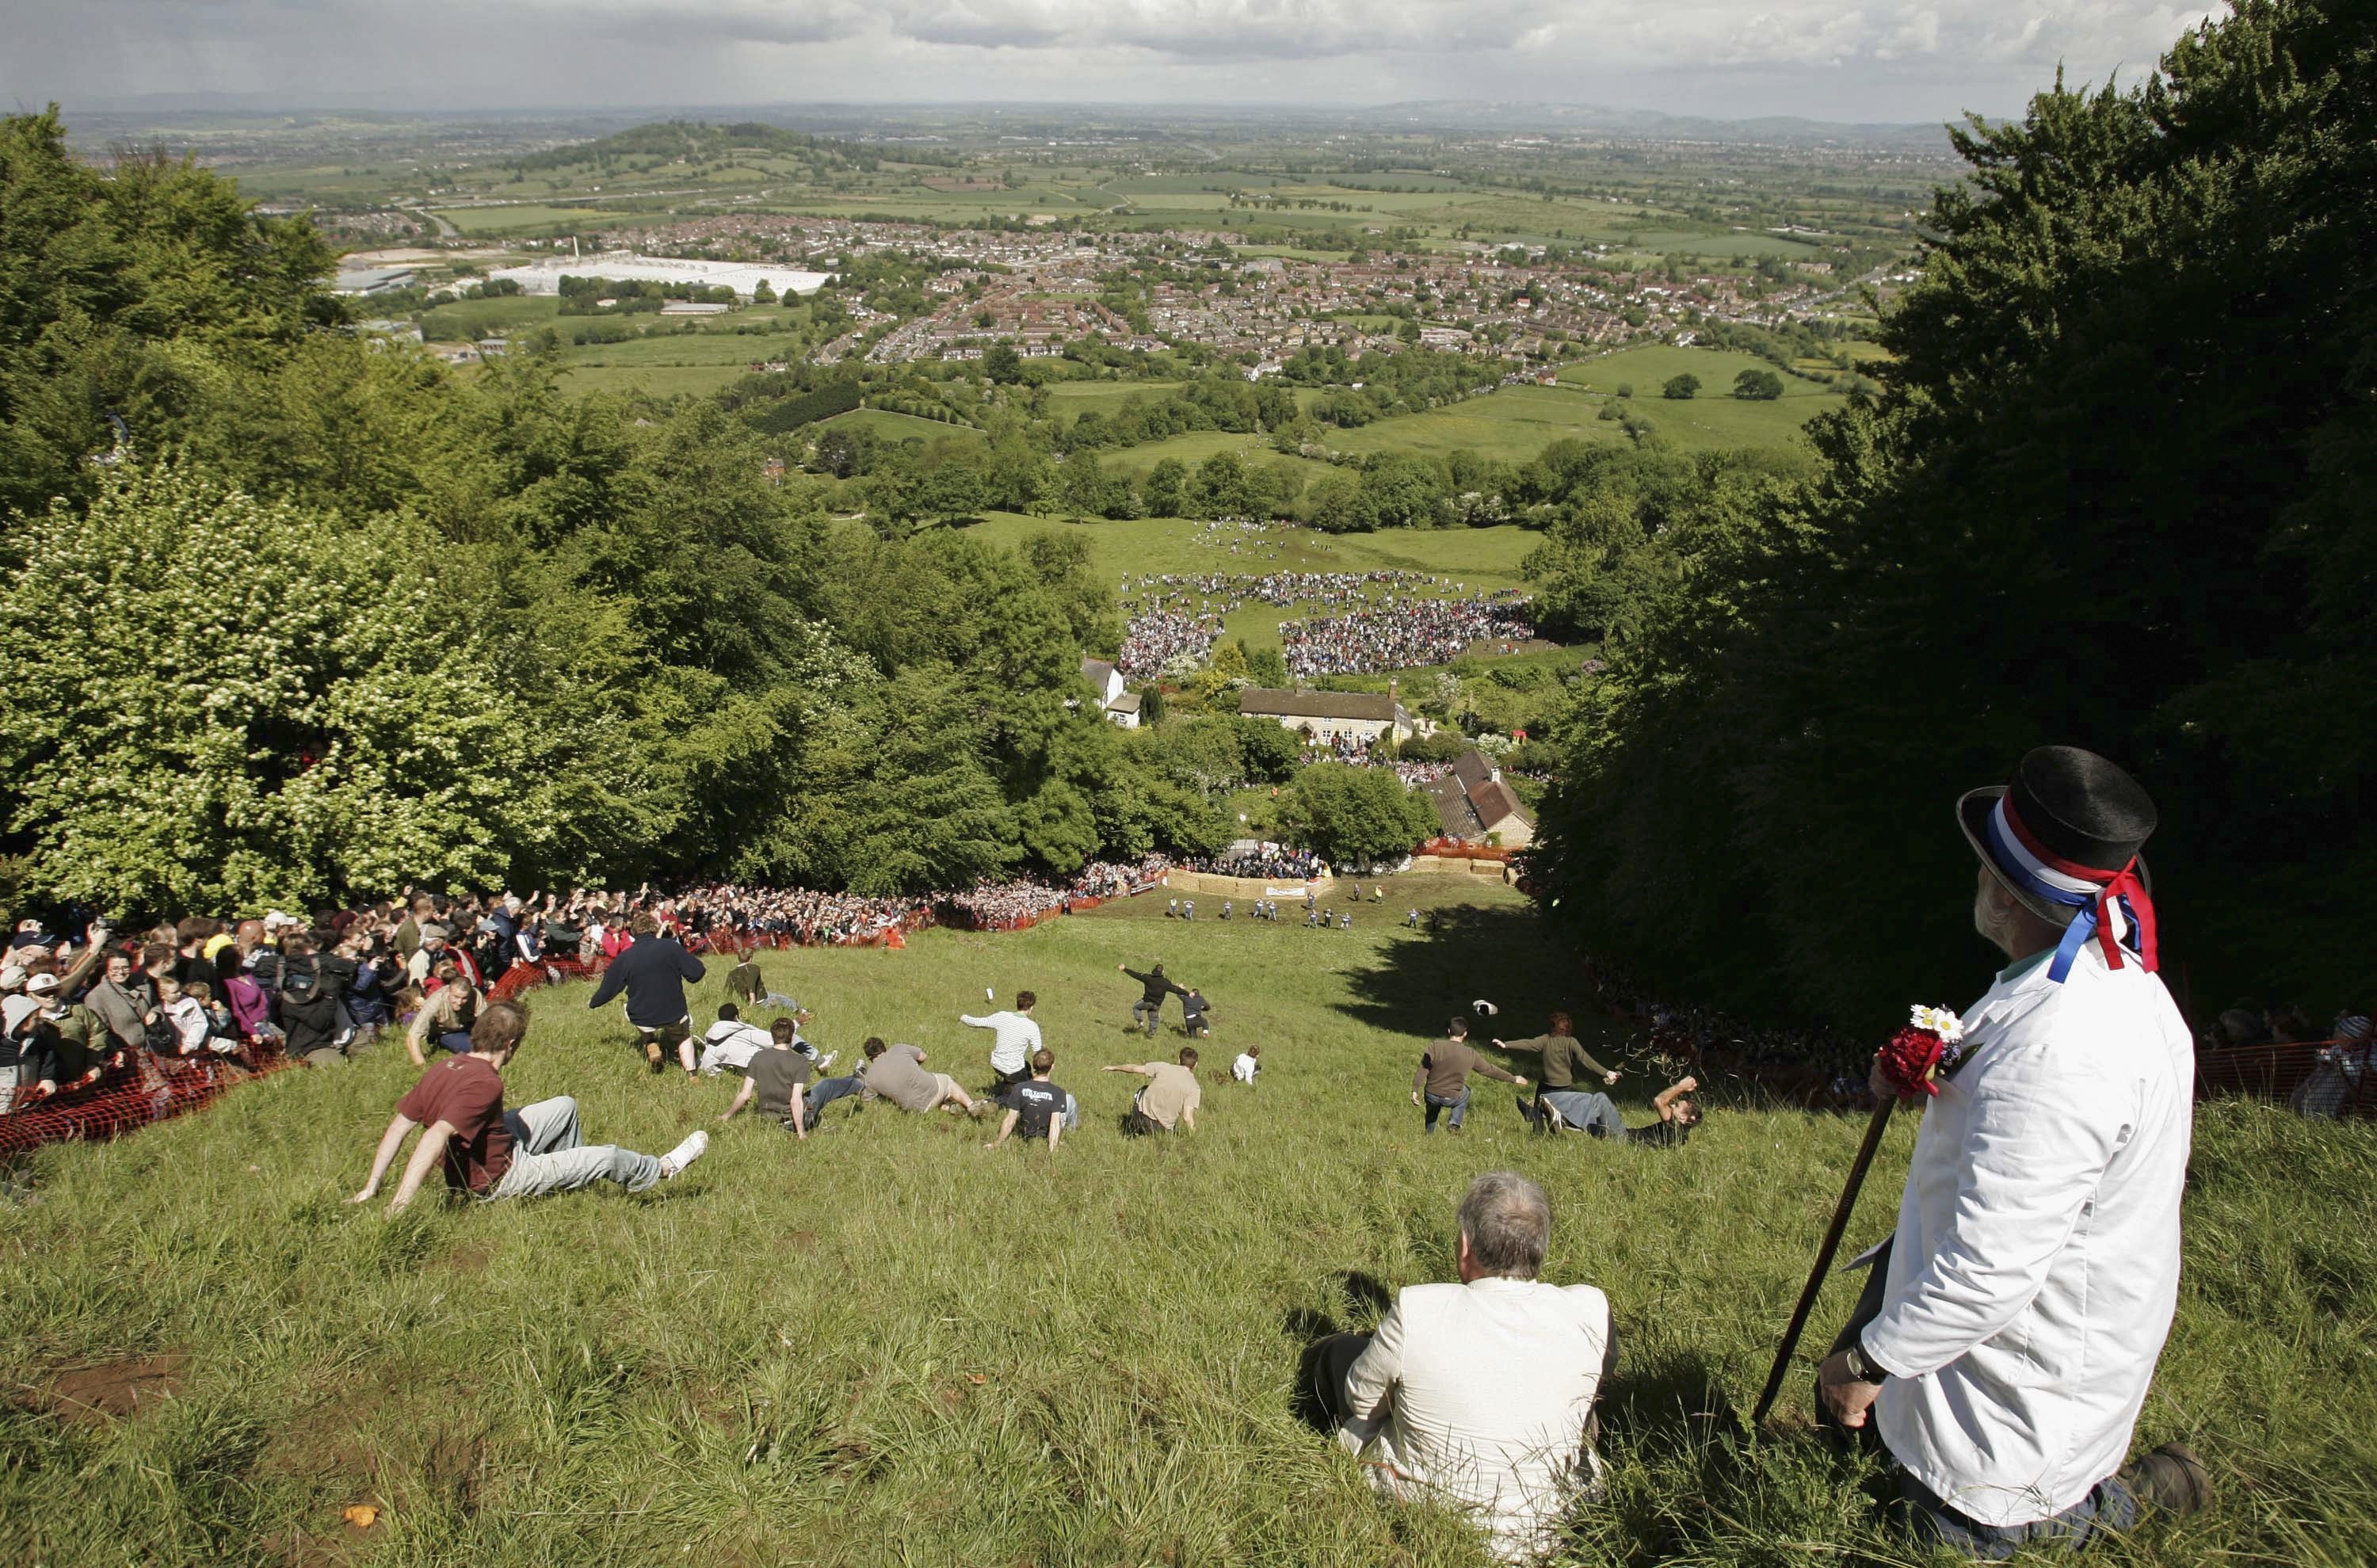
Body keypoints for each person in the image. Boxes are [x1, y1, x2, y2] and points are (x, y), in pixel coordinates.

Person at [1816, 746, 2207, 1555]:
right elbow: (2005, 1067)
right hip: (2056, 1349)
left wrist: (1867, 1357)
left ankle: (2131, 1500)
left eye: (1983, 865)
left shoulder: (2059, 1051)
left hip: (2010, 1403)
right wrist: (1918, 1065)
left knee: (1971, 1521)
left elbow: (1988, 1268)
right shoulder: (2104, 980)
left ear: (2005, 888)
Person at [1306, 1171, 1613, 1562]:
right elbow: (1595, 1390)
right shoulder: (1590, 1308)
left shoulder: (1417, 1307)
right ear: (1540, 1247)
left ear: (1465, 1245)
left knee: (1340, 1352)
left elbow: (1362, 1401)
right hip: (1557, 1520)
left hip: (1427, 1511)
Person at [349, 1000, 707, 1212]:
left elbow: (399, 1125)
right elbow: (434, 1137)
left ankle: (572, 1179)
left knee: (564, 1105)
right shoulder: (486, 1082)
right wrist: (398, 1205)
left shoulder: (447, 1065)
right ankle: (659, 1169)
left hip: (496, 1145)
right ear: (511, 1043)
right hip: (497, 1178)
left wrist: (372, 1184)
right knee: (607, 1156)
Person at [586, 912, 707, 1076]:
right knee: (684, 1036)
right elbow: (697, 972)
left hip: (642, 1016)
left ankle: (650, 1042)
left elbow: (609, 989)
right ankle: (692, 1074)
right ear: (655, 928)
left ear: (633, 932)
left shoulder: (625, 957)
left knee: (633, 1007)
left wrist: (593, 1002)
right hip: (674, 1011)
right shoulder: (671, 947)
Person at [1497, 1013, 1620, 1133]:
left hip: (1546, 1085)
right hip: (1563, 1087)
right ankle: (1539, 1123)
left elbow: (1529, 1043)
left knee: (1540, 1108)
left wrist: (1506, 1044)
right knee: (1559, 1112)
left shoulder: (1545, 1040)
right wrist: (1607, 1072)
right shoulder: (1571, 1042)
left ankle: (1536, 1129)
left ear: (1553, 1027)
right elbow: (1586, 1059)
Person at [1411, 1017, 1528, 1134]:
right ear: (1465, 1034)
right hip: (1452, 1097)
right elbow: (1489, 1070)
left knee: (1432, 1107)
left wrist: (1415, 1090)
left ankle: (1429, 1133)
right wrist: (1513, 1078)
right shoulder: (1470, 1054)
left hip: (1431, 1095)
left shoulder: (1435, 1046)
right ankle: (1454, 1124)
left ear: (1449, 1031)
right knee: (1466, 1091)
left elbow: (1424, 1067)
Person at [718, 1017, 818, 1140]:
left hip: (765, 1116)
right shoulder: (800, 1062)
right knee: (825, 1087)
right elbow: (795, 1100)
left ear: (772, 1037)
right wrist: (801, 1132)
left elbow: (745, 1095)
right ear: (792, 1038)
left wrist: (727, 1115)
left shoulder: (758, 1057)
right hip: (789, 1120)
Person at [1535, 1075, 1700, 1145]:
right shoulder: (1676, 1132)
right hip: (1623, 1136)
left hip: (1623, 1139)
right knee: (1589, 1099)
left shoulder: (1676, 1131)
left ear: (1686, 1119)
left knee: (1600, 1099)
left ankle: (1542, 1103)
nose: (1672, 1106)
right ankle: (1559, 1117)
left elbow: (1659, 1101)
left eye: (1677, 1107)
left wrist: (1681, 1087)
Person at [862, 1036, 982, 1117]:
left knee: (922, 1099)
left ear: (869, 1057)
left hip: (917, 1110)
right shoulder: (898, 1048)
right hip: (934, 1089)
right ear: (884, 1048)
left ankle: (949, 1109)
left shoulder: (870, 1077)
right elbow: (923, 1056)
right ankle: (971, 1105)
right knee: (948, 1081)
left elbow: (867, 1099)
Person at [986, 1048, 1074, 1151]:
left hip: (1027, 1132)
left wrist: (997, 1143)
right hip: (1046, 1133)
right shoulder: (1058, 1092)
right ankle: (1072, 1128)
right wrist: (1052, 1149)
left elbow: (1010, 1119)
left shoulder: (1019, 1088)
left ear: (1033, 1066)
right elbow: (1054, 1123)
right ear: (1052, 1067)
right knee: (1070, 1099)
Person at [1106, 1047, 1201, 1135]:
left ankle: (1134, 1127)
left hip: (1140, 1117)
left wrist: (1114, 1068)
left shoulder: (1162, 1066)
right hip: (1161, 1130)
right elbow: (1187, 1118)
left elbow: (1134, 1068)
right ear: (1195, 1065)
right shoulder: (1194, 1087)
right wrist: (1194, 1136)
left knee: (1143, 1090)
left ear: (1179, 1060)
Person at [960, 990, 1043, 1089]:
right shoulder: (1032, 1026)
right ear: (1031, 1008)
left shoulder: (1002, 1016)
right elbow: (1038, 1054)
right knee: (1025, 1092)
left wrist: (963, 1017)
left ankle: (1009, 1085)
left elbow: (977, 1022)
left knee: (1026, 1066)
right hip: (1013, 1069)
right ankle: (996, 1100)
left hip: (997, 1064)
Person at [405, 960, 479, 1065]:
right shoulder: (435, 1001)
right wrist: (421, 1066)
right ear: (449, 992)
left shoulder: (476, 995)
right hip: (447, 1032)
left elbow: (485, 1020)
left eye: (464, 998)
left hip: (468, 1027)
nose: (459, 1002)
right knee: (475, 1049)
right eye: (456, 997)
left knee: (491, 1046)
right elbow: (412, 1036)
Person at [695, 1002, 778, 1076]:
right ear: (736, 1017)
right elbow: (773, 1041)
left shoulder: (712, 1041)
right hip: (760, 1066)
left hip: (742, 1071)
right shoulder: (745, 1032)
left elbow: (706, 1065)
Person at [1120, 962, 1185, 1036]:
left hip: (1147, 1002)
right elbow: (1174, 989)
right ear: (1162, 972)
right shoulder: (1165, 982)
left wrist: (1125, 969)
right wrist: (1187, 993)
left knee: (1136, 1008)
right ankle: (1151, 1034)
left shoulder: (1148, 978)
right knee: (1154, 1018)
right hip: (1157, 1005)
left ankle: (1140, 1022)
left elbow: (1136, 975)